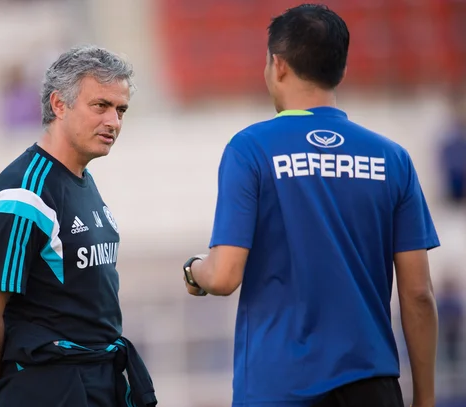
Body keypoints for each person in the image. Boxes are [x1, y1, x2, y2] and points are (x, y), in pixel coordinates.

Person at [181, 4, 439, 407]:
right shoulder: (393, 159)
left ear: (278, 65)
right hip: (372, 388)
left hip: (277, 388)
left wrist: (193, 271)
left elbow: (224, 276)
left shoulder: (251, 148)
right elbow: (419, 293)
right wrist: (424, 398)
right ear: (341, 70)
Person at [0, 45, 156, 407]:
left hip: (97, 377)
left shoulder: (81, 179)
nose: (114, 121)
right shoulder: (26, 192)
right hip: (53, 386)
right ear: (59, 105)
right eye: (100, 106)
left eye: (120, 109)